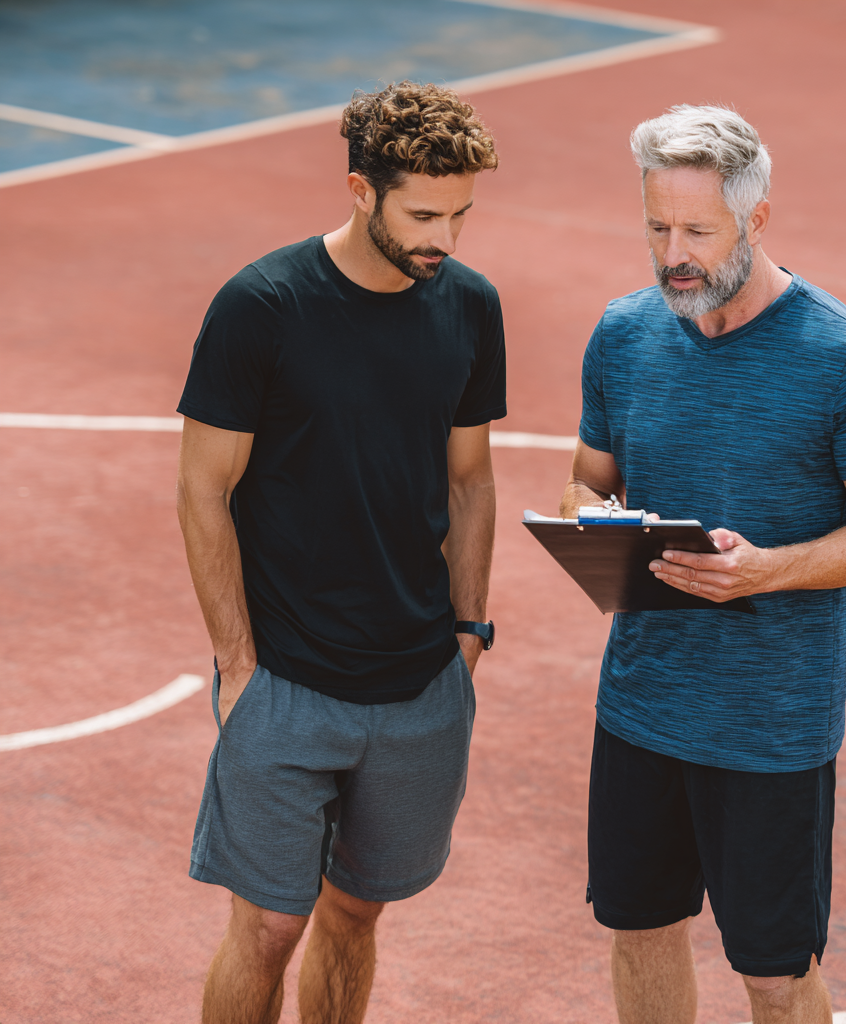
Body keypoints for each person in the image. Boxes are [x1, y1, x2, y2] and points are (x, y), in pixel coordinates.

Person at [560, 105, 846, 1024]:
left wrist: (767, 569)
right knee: (639, 931)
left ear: (756, 221)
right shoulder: (624, 333)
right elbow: (584, 486)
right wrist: (603, 536)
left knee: (772, 973)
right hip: (640, 706)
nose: (672, 252)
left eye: (697, 231)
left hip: (771, 729)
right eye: (656, 226)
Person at [176, 81, 504, 1024]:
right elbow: (204, 487)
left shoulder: (469, 306)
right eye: (425, 211)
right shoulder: (262, 305)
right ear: (361, 189)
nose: (448, 236)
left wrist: (470, 628)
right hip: (285, 679)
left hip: (419, 685)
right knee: (270, 928)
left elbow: (470, 477)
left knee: (358, 912)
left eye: (462, 212)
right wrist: (238, 662)